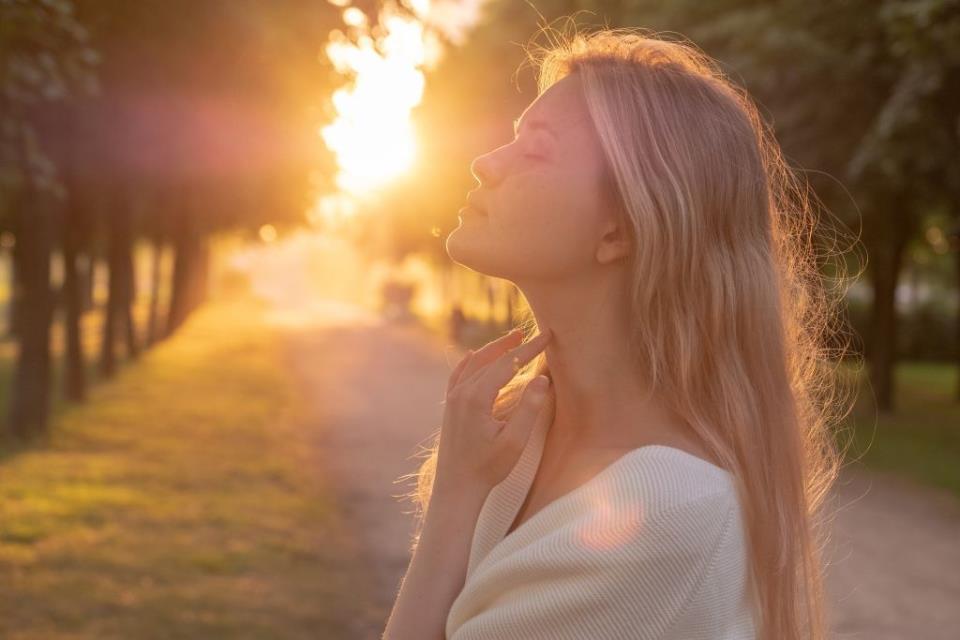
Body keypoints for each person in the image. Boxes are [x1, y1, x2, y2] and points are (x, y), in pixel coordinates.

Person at [383, 25, 857, 640]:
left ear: (621, 232)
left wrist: (454, 498)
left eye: (536, 149)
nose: (484, 163)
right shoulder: (523, 440)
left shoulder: (665, 514)